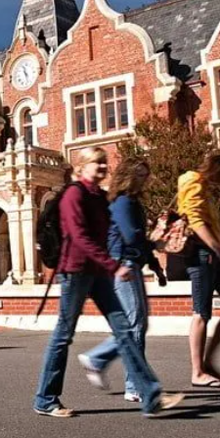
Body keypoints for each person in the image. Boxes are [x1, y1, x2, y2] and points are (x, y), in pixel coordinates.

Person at [29, 147, 183, 418]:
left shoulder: (101, 197)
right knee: (64, 336)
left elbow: (115, 234)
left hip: (98, 271)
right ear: (81, 167)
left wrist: (154, 239)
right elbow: (79, 236)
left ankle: (150, 396)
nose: (102, 167)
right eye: (95, 163)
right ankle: (45, 399)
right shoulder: (73, 194)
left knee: (124, 331)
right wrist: (114, 265)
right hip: (75, 271)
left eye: (104, 163)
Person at [77, 158, 173, 406]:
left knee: (137, 326)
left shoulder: (133, 203)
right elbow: (132, 237)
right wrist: (157, 240)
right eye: (139, 174)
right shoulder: (122, 202)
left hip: (131, 264)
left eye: (145, 175)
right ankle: (106, 365)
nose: (143, 179)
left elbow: (138, 241)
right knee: (133, 325)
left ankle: (123, 377)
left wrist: (155, 266)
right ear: (127, 176)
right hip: (121, 265)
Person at [179, 153, 220, 386]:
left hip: (210, 255)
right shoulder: (193, 180)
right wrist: (218, 250)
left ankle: (207, 362)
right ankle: (197, 371)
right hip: (202, 253)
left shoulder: (203, 185)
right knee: (201, 312)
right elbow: (195, 220)